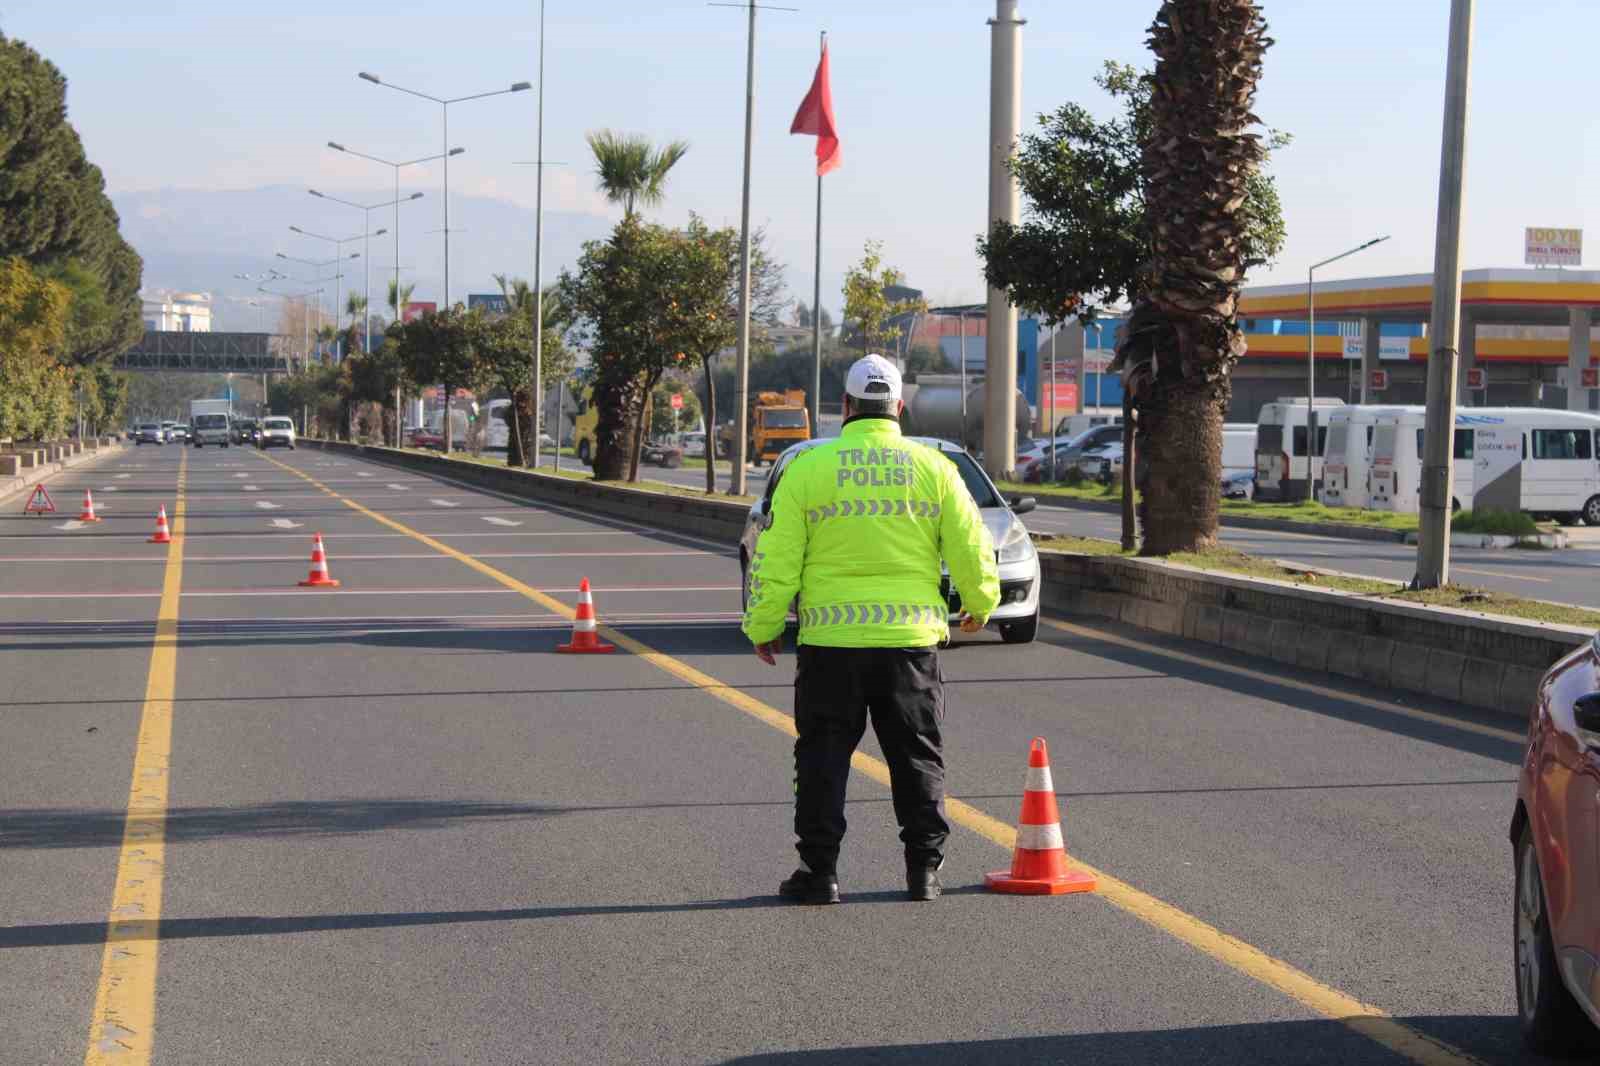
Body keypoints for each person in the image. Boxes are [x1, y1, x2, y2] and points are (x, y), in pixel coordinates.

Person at [742, 353, 1000, 904]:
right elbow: (971, 544)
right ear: (899, 407)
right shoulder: (934, 469)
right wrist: (982, 601)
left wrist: (764, 624)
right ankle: (923, 872)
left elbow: (776, 557)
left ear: (846, 408)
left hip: (830, 648)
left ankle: (820, 873)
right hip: (910, 645)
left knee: (822, 759)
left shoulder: (809, 469)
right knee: (916, 756)